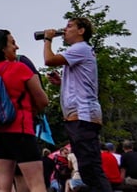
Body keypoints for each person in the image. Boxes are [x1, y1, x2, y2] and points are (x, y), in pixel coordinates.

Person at [43, 19, 111, 192]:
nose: (64, 30)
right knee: (86, 167)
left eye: (70, 26)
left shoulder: (80, 48)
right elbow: (80, 82)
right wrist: (61, 81)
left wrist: (48, 39)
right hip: (78, 116)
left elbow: (49, 60)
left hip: (83, 115)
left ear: (81, 31)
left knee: (90, 166)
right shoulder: (79, 51)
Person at [0, 29, 49, 192]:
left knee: (3, 186)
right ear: (2, 48)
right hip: (21, 131)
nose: (16, 47)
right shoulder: (20, 68)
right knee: (36, 183)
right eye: (12, 43)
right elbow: (43, 100)